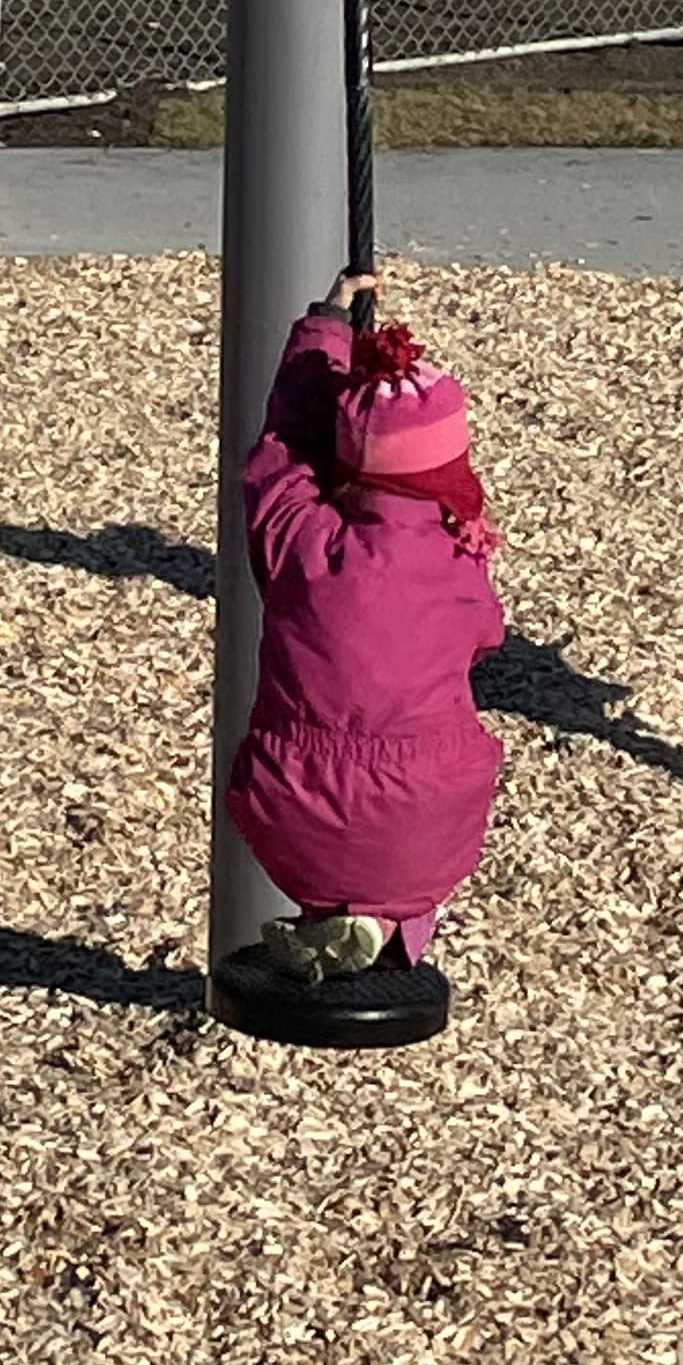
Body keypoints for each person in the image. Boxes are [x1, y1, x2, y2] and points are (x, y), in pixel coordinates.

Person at [227, 271, 506, 988]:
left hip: (286, 799)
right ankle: (385, 924)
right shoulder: (459, 563)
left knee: (344, 823)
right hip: (425, 808)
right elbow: (486, 633)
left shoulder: (305, 544)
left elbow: (281, 456)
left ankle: (344, 914)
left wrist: (325, 331)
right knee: (423, 830)